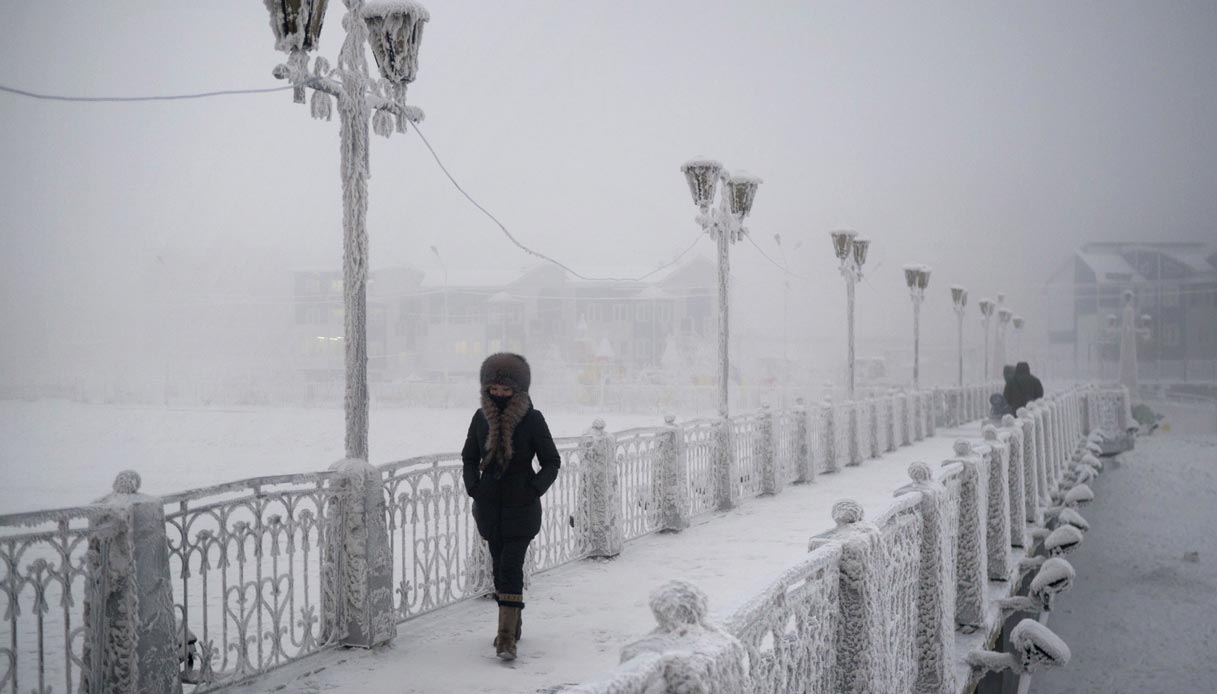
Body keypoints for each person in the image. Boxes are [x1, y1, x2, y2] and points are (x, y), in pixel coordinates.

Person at [462, 353, 561, 661]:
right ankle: (514, 623)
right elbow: (468, 456)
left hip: (521, 507)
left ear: (519, 389)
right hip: (490, 507)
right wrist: (474, 487)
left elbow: (551, 462)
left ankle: (506, 637)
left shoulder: (533, 419)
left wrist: (532, 489)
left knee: (510, 567)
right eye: (494, 389)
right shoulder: (480, 419)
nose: (500, 394)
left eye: (506, 389)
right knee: (497, 568)